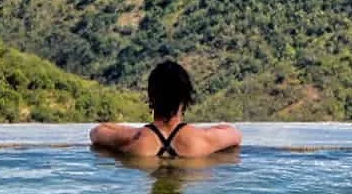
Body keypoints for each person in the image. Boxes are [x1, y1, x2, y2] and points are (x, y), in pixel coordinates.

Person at [89, 60, 242, 160]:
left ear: (151, 97)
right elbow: (235, 134)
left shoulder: (135, 139)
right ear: (185, 98)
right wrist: (198, 131)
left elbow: (96, 132)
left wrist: (133, 131)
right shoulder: (201, 140)